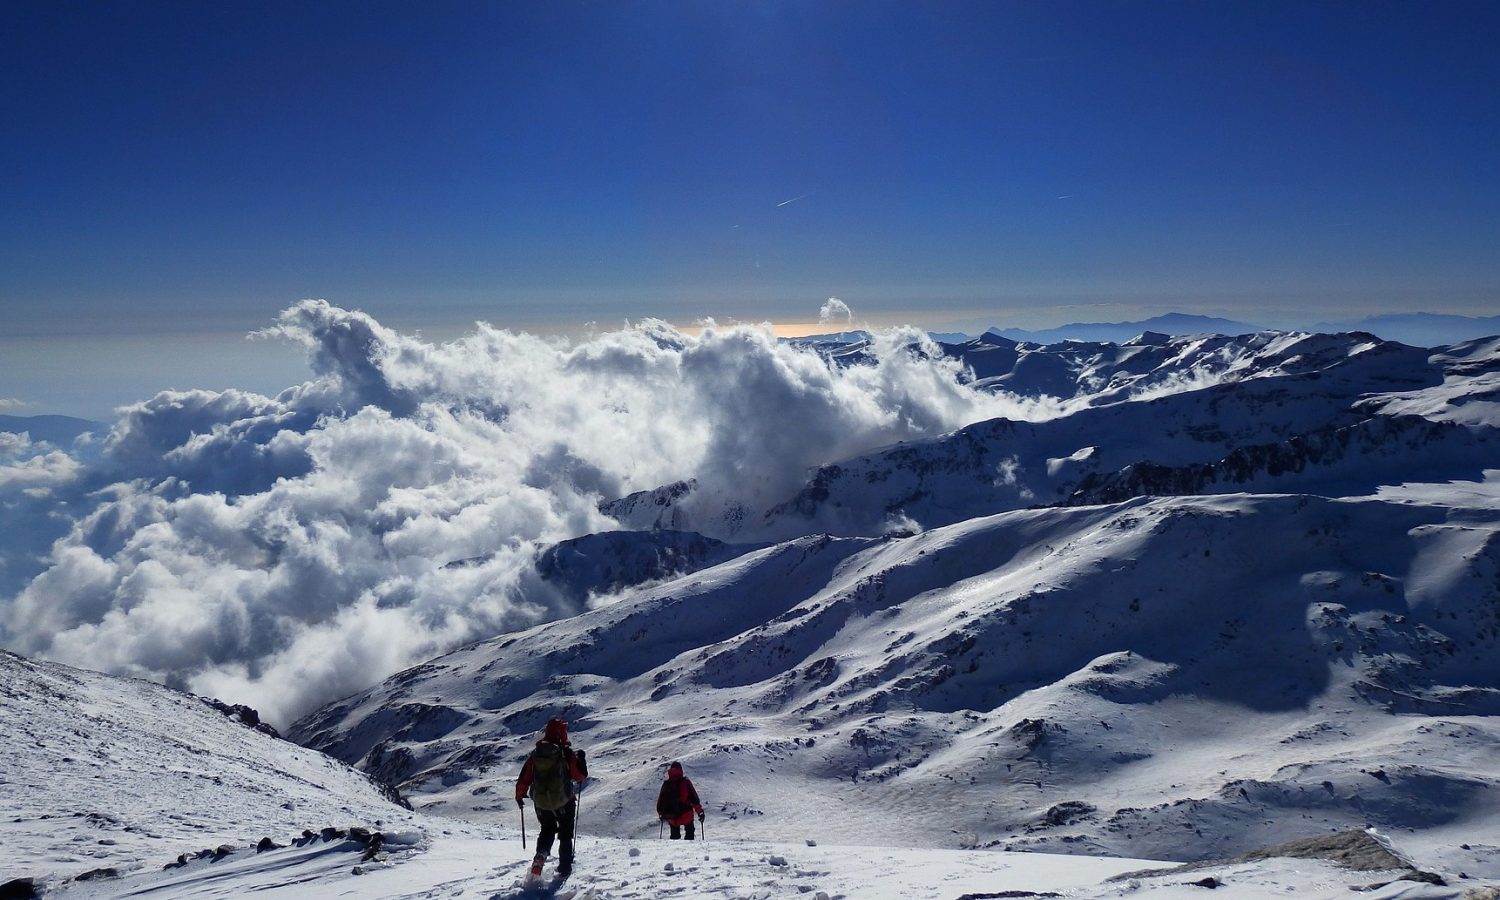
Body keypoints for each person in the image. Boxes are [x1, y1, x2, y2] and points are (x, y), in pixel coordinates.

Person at [515, 717, 588, 878]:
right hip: (564, 801)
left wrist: (520, 796)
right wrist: (581, 760)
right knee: (565, 833)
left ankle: (540, 856)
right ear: (562, 733)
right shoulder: (566, 753)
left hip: (541, 803)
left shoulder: (536, 754)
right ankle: (564, 868)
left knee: (547, 830)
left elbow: (525, 778)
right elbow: (580, 776)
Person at [656, 761, 704, 840]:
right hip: (686, 815)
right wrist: (700, 812)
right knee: (689, 833)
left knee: (674, 836)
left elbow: (660, 801)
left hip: (671, 816)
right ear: (681, 770)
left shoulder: (666, 784)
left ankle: (675, 851)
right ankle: (690, 850)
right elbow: (694, 799)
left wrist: (660, 813)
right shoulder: (685, 782)